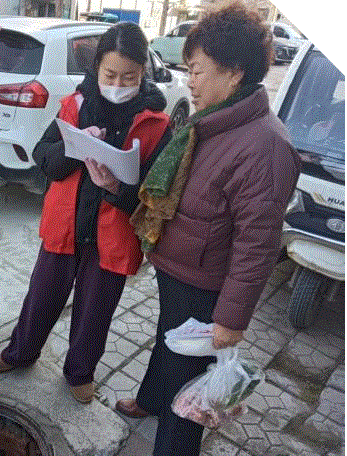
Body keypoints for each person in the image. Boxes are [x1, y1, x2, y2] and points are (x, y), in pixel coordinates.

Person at [116, 3, 301, 455]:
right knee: (168, 345)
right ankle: (149, 399)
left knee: (187, 396)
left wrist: (231, 320)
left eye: (197, 70)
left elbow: (257, 245)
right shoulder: (215, 122)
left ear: (234, 73)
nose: (189, 81)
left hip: (203, 287)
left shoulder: (265, 146)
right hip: (178, 270)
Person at [0, 22, 172, 404]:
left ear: (143, 73)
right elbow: (44, 158)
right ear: (96, 67)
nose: (117, 84)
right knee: (41, 298)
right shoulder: (74, 105)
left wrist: (116, 187)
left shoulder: (156, 124)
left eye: (129, 77)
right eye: (110, 74)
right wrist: (74, 147)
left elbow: (156, 199)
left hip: (113, 236)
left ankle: (80, 372)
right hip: (65, 225)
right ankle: (20, 353)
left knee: (95, 313)